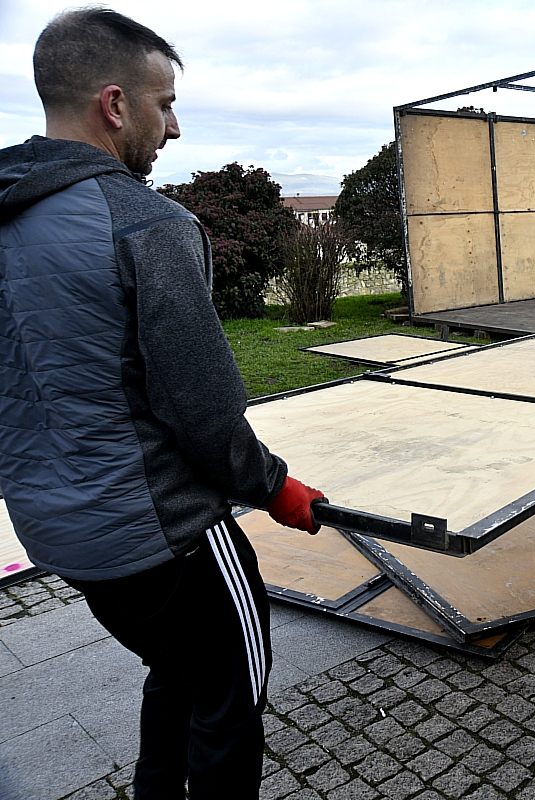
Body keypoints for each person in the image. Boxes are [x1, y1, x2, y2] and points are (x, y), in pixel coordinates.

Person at [0, 10, 325, 798]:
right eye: (165, 103)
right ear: (116, 105)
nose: (172, 127)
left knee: (177, 669)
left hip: (59, 534)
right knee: (229, 696)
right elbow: (204, 411)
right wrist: (273, 484)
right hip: (169, 535)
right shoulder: (146, 223)